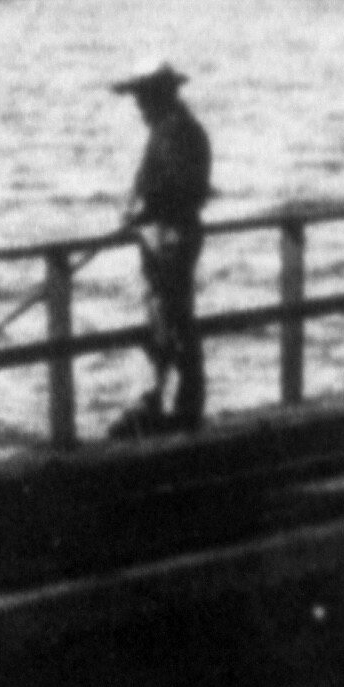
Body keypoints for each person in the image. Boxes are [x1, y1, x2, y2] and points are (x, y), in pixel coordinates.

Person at [112, 65, 214, 431]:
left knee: (169, 317)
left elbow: (172, 188)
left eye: (142, 98)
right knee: (173, 316)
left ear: (158, 96)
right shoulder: (183, 128)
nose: (138, 106)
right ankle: (175, 402)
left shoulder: (172, 132)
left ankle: (170, 405)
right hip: (175, 232)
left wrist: (140, 210)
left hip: (169, 235)